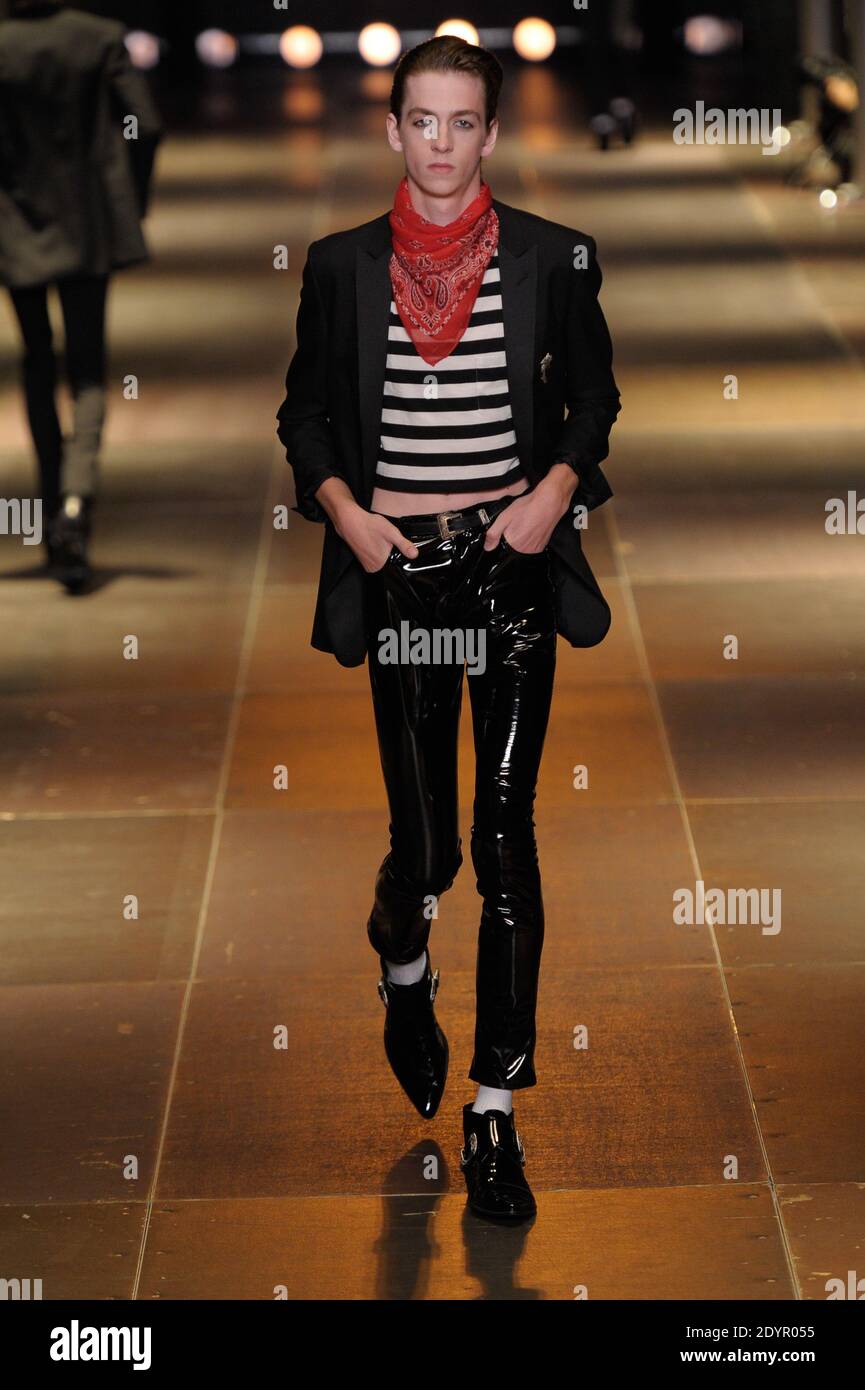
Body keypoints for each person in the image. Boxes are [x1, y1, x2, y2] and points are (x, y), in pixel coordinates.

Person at [277, 36, 620, 1221]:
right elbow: (305, 415)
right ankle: (401, 956)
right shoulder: (339, 267)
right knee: (430, 851)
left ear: (489, 131)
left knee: (506, 836)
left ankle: (493, 1111)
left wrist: (546, 497)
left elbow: (595, 398)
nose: (440, 142)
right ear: (392, 130)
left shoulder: (548, 258)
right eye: (420, 120)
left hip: (505, 574)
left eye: (462, 122)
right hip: (402, 582)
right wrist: (350, 519)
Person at [0, 0, 161, 590]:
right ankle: (75, 505)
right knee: (89, 370)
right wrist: (129, 202)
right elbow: (145, 123)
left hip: (15, 225)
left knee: (37, 361)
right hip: (87, 220)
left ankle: (49, 516)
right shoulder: (98, 37)